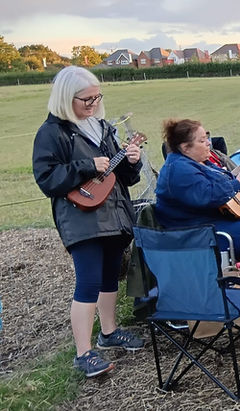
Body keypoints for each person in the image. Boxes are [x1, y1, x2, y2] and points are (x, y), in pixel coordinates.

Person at [32, 66, 145, 377]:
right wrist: (86, 165)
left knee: (110, 276)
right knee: (89, 281)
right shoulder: (52, 133)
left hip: (114, 213)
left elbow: (121, 178)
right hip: (81, 218)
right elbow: (46, 178)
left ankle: (109, 331)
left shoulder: (103, 127)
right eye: (86, 99)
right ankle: (83, 353)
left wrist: (132, 162)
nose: (93, 104)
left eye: (97, 97)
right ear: (67, 98)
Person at [154, 118, 240, 283]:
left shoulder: (199, 162)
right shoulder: (178, 169)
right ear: (185, 147)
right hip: (194, 231)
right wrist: (237, 183)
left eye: (207, 138)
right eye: (202, 140)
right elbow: (208, 195)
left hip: (211, 219)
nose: (208, 144)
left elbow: (224, 180)